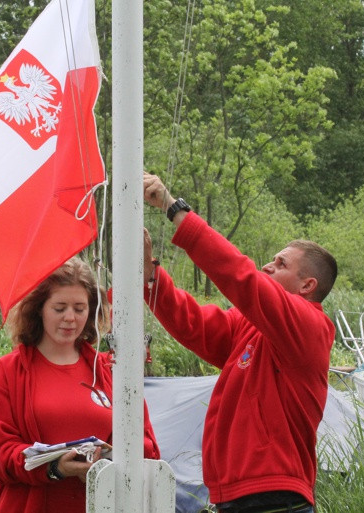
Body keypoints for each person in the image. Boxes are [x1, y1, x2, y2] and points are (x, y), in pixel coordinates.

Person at [142, 172, 337, 513]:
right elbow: (194, 325)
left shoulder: (310, 327)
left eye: (281, 264)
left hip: (275, 496)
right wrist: (149, 274)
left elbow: (240, 276)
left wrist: (175, 209)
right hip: (235, 497)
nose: (268, 265)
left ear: (308, 286)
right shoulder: (251, 327)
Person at [0, 257, 161, 513]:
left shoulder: (112, 371)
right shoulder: (6, 373)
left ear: (92, 311)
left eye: (79, 308)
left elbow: (149, 448)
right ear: (39, 308)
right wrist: (54, 468)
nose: (70, 318)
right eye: (59, 308)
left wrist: (110, 457)